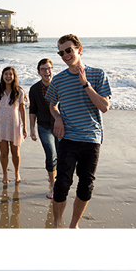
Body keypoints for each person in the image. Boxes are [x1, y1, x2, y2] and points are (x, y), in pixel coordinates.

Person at [46, 34, 111, 228]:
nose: (65, 55)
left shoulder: (97, 74)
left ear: (79, 50)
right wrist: (57, 118)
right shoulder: (58, 80)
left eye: (68, 50)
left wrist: (85, 84)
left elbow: (104, 106)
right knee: (61, 184)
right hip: (68, 138)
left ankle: (73, 225)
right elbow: (52, 105)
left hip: (92, 138)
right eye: (61, 52)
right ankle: (58, 224)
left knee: (86, 186)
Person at [0, 66, 27, 184]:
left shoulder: (19, 91)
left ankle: (16, 172)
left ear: (14, 76)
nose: (8, 76)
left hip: (14, 124)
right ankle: (5, 173)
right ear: (2, 76)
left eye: (10, 74)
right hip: (0, 124)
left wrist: (24, 126)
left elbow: (22, 109)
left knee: (15, 152)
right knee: (4, 152)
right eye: (6, 74)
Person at [28, 58, 57, 198]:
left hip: (61, 125)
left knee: (61, 155)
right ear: (39, 72)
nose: (47, 71)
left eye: (49, 68)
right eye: (44, 69)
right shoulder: (34, 89)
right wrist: (32, 129)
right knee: (51, 154)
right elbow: (32, 110)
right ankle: (52, 186)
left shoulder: (59, 85)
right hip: (44, 126)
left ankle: (55, 178)